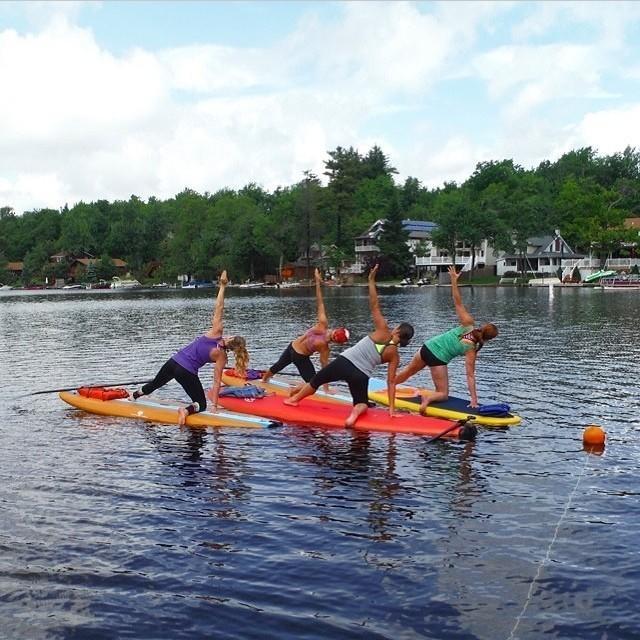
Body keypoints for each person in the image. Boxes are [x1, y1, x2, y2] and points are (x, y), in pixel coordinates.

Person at [284, 263, 414, 427]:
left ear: (396, 330)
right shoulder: (394, 355)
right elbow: (391, 382)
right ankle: (353, 416)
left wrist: (371, 280)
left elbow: (374, 304)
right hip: (361, 375)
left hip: (345, 362)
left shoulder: (383, 330)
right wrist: (391, 411)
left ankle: (293, 400)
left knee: (316, 381)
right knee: (362, 404)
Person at [131, 270, 249, 424]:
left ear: (230, 338)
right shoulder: (222, 357)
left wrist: (222, 287)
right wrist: (214, 405)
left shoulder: (216, 332)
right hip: (186, 372)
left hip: (173, 361)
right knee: (201, 404)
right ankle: (186, 410)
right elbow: (216, 381)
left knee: (155, 384)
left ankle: (132, 396)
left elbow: (219, 308)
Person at [395, 265, 498, 411]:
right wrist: (474, 399)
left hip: (427, 346)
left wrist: (454, 280)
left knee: (409, 371)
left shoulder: (468, 323)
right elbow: (469, 376)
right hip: (437, 358)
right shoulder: (471, 349)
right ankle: (427, 398)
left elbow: (457, 301)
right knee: (443, 394)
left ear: (483, 326)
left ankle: (390, 384)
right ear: (488, 339)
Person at [262, 268, 349, 390]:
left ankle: (264, 380)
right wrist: (326, 388)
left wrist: (318, 283)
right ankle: (295, 390)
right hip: (300, 356)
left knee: (278, 366)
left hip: (292, 346)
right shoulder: (324, 347)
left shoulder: (322, 324)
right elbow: (324, 368)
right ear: (336, 342)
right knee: (313, 383)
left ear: (335, 330)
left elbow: (320, 303)